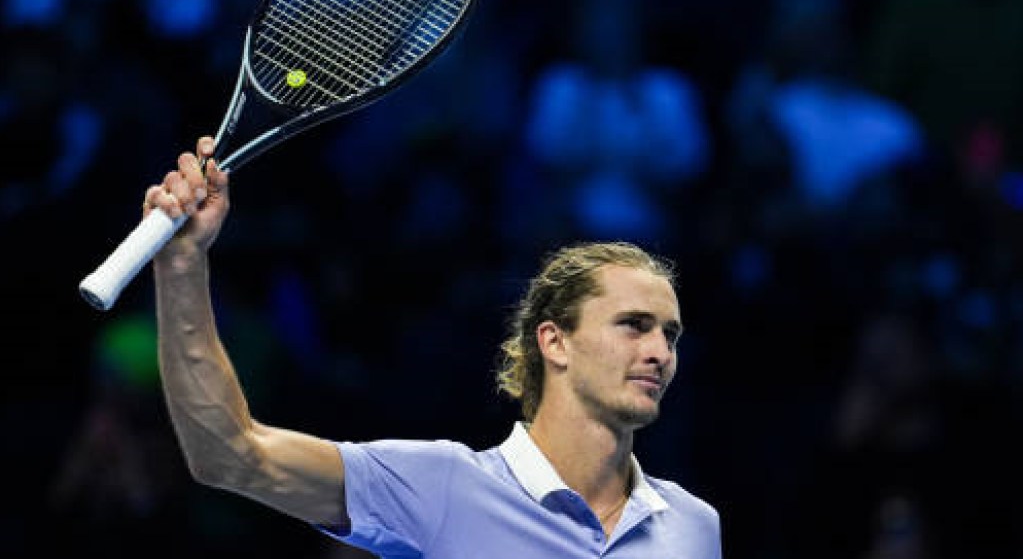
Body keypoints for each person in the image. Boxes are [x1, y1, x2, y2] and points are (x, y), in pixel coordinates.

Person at [144, 136, 721, 558]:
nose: (660, 352)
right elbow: (231, 456)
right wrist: (183, 266)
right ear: (555, 342)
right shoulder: (443, 485)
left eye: (669, 334)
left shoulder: (694, 527)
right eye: (634, 325)